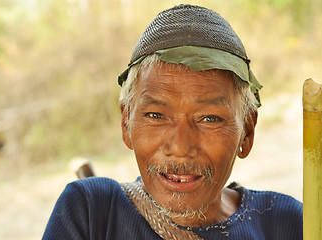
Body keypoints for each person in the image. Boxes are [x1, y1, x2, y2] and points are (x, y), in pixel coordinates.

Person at [42, 4, 302, 239]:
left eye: (209, 118)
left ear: (247, 131)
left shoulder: (286, 223)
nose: (180, 146)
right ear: (126, 123)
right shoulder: (92, 211)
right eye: (156, 116)